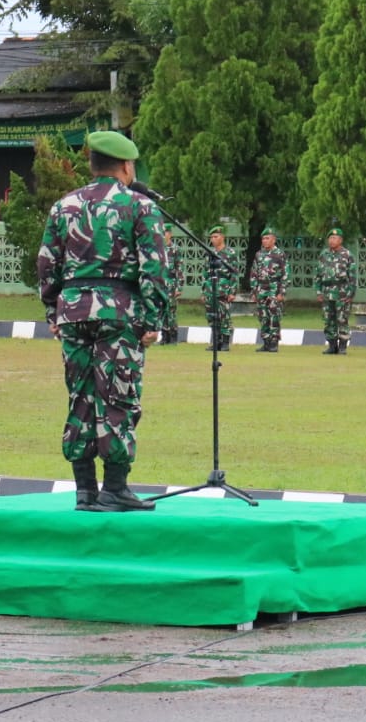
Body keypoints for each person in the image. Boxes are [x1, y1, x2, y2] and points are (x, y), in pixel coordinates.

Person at [36, 129, 170, 513]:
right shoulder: (139, 206)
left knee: (81, 395)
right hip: (118, 313)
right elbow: (155, 269)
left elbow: (47, 263)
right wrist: (152, 319)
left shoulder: (63, 206)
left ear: (92, 165)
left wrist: (53, 311)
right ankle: (114, 488)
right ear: (127, 167)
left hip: (74, 312)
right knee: (117, 397)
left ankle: (84, 492)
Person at [248, 226, 288, 353]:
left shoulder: (280, 254)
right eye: (263, 238)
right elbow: (254, 273)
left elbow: (285, 274)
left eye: (267, 238)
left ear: (273, 240)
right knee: (263, 316)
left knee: (274, 316)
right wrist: (254, 290)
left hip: (274, 289)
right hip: (261, 289)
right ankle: (266, 342)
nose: (264, 241)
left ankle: (274, 342)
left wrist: (282, 292)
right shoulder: (259, 255)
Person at [316, 227, 356, 355]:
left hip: (342, 292)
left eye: (335, 238)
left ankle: (343, 346)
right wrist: (318, 291)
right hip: (327, 292)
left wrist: (351, 293)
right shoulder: (324, 255)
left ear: (341, 240)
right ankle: (332, 345)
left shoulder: (347, 255)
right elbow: (318, 275)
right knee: (329, 319)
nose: (332, 241)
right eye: (330, 238)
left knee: (342, 319)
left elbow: (352, 276)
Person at [202, 225, 237, 352]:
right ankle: (216, 342)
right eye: (211, 237)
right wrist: (204, 291)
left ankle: (226, 342)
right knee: (212, 316)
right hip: (210, 289)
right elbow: (205, 273)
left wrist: (232, 291)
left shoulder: (230, 253)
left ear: (222, 237)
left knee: (224, 316)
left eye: (216, 236)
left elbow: (234, 273)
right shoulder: (209, 253)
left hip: (223, 289)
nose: (213, 239)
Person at [161, 232, 183, 345]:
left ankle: (173, 336)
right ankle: (164, 336)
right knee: (162, 310)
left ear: (170, 234)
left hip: (171, 283)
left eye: (164, 233)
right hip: (161, 283)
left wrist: (179, 287)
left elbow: (179, 269)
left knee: (171, 311)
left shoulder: (175, 249)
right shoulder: (159, 248)